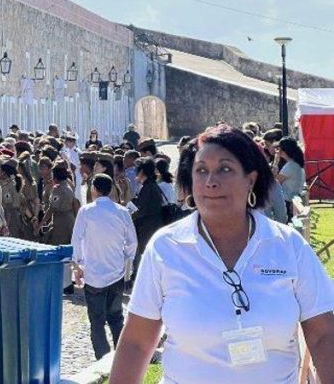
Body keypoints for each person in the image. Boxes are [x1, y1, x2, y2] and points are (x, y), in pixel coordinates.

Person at [110, 124, 334, 383]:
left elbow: (322, 335)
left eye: (225, 169)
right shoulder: (166, 248)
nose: (211, 182)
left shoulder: (288, 246)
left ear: (250, 179)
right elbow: (137, 343)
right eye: (201, 171)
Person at [72, 174, 136, 360]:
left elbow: (76, 239)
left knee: (97, 321)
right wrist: (125, 258)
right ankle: (120, 356)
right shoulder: (122, 212)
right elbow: (132, 242)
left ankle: (102, 358)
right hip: (116, 271)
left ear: (94, 189)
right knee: (116, 318)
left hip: (92, 274)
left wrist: (77, 265)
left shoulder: (86, 211)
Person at [130, 157, 166, 273]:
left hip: (147, 227)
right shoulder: (153, 185)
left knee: (146, 257)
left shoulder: (147, 188)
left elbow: (142, 210)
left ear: (141, 172)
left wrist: (129, 217)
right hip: (154, 224)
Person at [276, 136, 306, 220]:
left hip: (288, 202)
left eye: (279, 149)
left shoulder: (291, 166)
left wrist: (276, 160)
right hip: (292, 200)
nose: (278, 151)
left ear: (284, 150)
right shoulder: (295, 164)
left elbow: (275, 182)